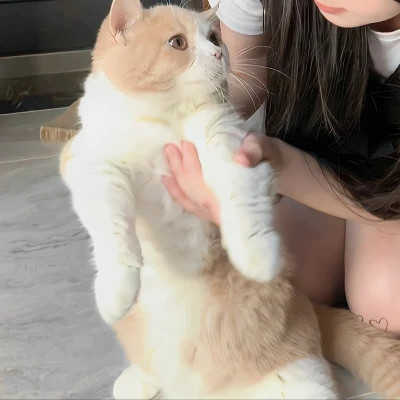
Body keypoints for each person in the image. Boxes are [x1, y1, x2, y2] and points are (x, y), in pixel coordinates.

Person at [163, 0, 400, 334]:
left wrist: (281, 166)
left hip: (389, 187)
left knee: (387, 303)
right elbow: (250, 59)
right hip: (326, 151)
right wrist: (205, 131)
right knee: (270, 279)